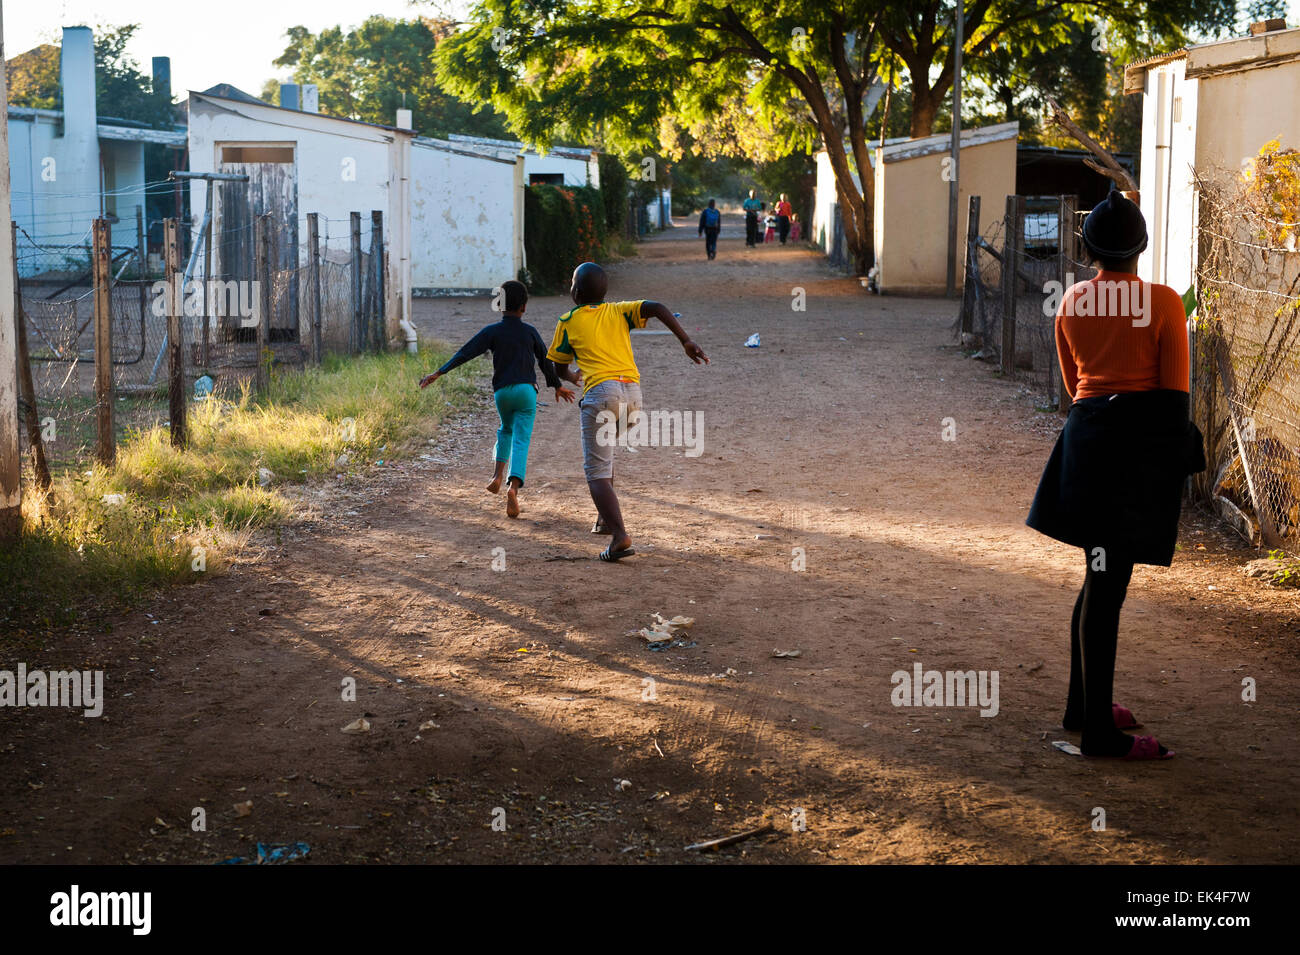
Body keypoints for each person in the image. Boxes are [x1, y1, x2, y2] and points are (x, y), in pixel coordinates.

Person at [1026, 191, 1205, 760]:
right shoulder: (1166, 304)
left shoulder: (1072, 302)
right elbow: (1174, 399)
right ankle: (1100, 737)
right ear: (1142, 247)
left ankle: (1085, 709)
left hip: (1087, 442)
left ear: (1087, 248)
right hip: (1137, 448)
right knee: (1108, 587)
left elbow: (1074, 386)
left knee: (1097, 576)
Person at [546, 262, 709, 561]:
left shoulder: (568, 320)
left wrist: (571, 378)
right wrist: (685, 340)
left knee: (595, 472)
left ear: (576, 292)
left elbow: (559, 367)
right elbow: (657, 307)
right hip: (633, 396)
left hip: (602, 393)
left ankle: (620, 535)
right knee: (604, 453)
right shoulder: (619, 311)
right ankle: (607, 521)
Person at [420, 279, 575, 519]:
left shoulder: (492, 331)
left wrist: (439, 372)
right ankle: (513, 488)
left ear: (500, 305)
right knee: (521, 440)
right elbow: (545, 361)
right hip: (526, 392)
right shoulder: (530, 331)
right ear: (524, 306)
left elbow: (466, 352)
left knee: (505, 430)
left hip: (502, 393)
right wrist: (557, 385)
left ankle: (496, 475)